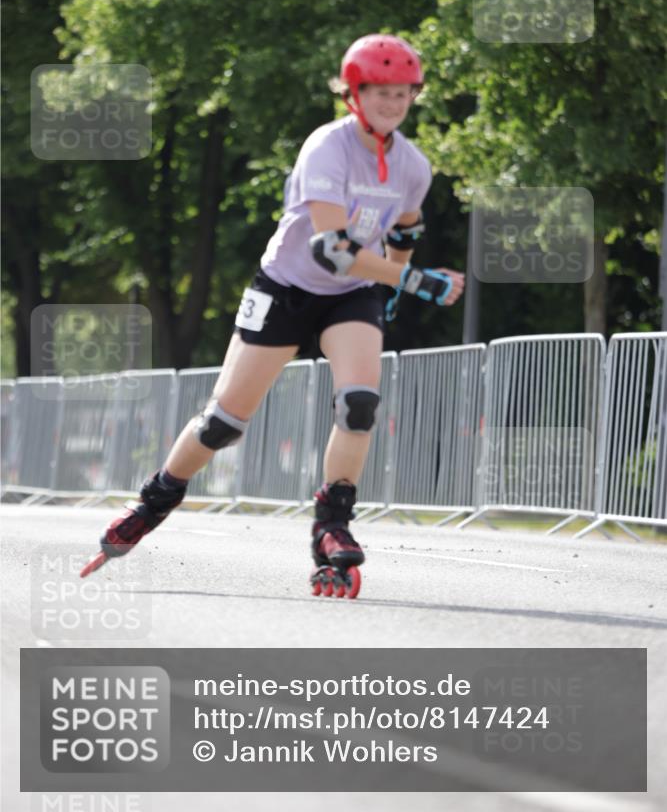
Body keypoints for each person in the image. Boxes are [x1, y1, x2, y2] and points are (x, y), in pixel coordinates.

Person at [81, 34, 465, 594]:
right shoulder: (327, 148)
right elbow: (329, 249)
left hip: (350, 295)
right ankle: (154, 500)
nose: (392, 103)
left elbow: (404, 230)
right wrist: (411, 279)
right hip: (287, 286)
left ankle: (332, 525)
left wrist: (392, 290)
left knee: (359, 405)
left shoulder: (413, 165)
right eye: (380, 91)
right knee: (223, 424)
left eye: (403, 93)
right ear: (354, 92)